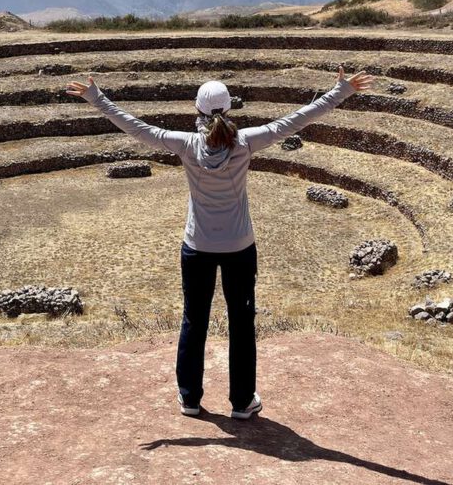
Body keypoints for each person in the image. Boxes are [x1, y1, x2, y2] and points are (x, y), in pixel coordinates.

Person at [67, 65, 374, 419]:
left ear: (196, 109)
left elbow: (136, 127)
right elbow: (296, 120)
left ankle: (190, 398)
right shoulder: (246, 141)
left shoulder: (184, 144)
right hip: (239, 249)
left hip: (196, 247)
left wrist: (96, 97)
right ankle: (242, 402)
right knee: (241, 324)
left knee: (193, 321)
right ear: (229, 110)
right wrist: (341, 91)